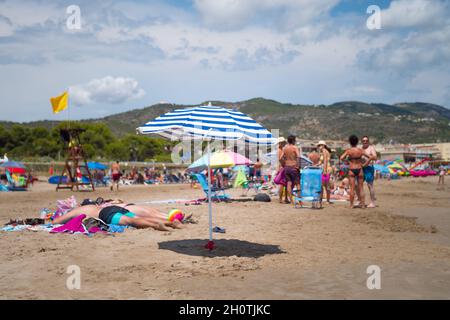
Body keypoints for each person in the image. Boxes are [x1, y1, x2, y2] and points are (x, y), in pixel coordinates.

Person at [52, 204, 184, 231]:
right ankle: (169, 221)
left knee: (132, 221)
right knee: (134, 217)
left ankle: (156, 225)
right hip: (116, 208)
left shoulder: (78, 210)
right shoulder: (93, 205)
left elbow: (56, 221)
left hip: (105, 215)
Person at [340, 135, 370, 209]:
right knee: (361, 188)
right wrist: (365, 164)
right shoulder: (360, 150)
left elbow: (341, 158)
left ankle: (351, 205)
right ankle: (363, 205)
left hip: (352, 169)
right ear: (357, 142)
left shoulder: (349, 150)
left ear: (350, 142)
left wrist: (347, 161)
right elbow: (370, 157)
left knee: (352, 188)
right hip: (360, 168)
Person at [280, 135, 300, 205]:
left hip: (287, 167)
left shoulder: (285, 148)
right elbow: (298, 157)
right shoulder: (295, 147)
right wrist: (297, 165)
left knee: (288, 183)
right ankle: (299, 200)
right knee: (297, 183)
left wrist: (283, 164)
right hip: (294, 167)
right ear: (294, 140)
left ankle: (291, 200)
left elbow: (280, 158)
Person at [361, 136, 378, 208]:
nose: (365, 142)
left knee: (370, 185)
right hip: (361, 168)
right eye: (363, 140)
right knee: (358, 184)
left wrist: (368, 160)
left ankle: (373, 202)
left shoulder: (371, 148)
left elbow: (375, 157)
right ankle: (360, 200)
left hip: (369, 168)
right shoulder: (361, 149)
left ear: (368, 141)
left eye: (366, 140)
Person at [317, 140, 332, 205]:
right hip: (325, 169)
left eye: (320, 145)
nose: (319, 147)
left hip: (326, 169)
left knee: (325, 185)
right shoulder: (324, 151)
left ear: (323, 146)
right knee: (324, 185)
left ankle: (326, 200)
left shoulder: (324, 151)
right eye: (319, 145)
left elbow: (325, 161)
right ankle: (324, 199)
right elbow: (321, 162)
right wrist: (316, 165)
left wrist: (325, 170)